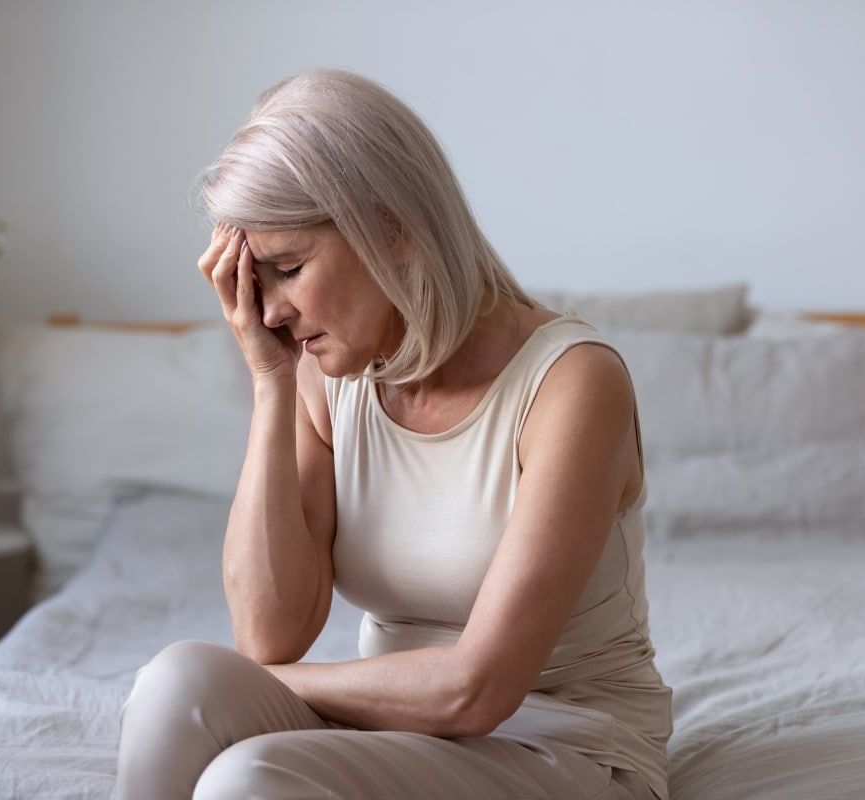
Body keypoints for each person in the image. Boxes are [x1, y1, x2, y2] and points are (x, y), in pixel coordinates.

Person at [111, 67, 672, 800]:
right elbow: (268, 636)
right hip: (399, 739)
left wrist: (275, 688)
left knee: (248, 779)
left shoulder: (571, 383)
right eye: (257, 281)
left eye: (288, 268)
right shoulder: (325, 372)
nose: (270, 311)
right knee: (177, 682)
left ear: (392, 228)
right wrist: (270, 383)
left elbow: (478, 689)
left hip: (565, 749)